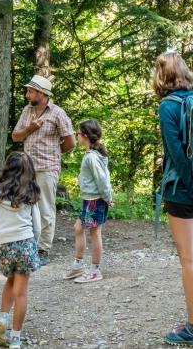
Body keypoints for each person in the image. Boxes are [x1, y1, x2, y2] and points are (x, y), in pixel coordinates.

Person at [155, 52, 193, 347]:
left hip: (182, 190)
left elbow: (176, 155)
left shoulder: (168, 106)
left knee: (188, 259)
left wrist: (192, 192)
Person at [9, 74, 73, 265]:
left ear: (42, 93)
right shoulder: (27, 112)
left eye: (30, 91)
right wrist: (30, 129)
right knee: (22, 207)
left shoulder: (58, 113)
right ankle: (21, 248)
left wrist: (54, 154)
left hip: (47, 169)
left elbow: (70, 142)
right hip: (26, 168)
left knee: (45, 209)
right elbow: (15, 137)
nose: (27, 94)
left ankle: (43, 250)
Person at [0, 152, 41, 349]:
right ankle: (15, 339)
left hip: (2, 245)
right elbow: (38, 226)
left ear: (7, 169)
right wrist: (34, 247)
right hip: (24, 243)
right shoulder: (30, 194)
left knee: (10, 280)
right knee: (21, 293)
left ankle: (2, 319)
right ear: (29, 172)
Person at [64, 120, 112, 284]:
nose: (76, 135)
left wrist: (107, 198)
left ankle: (95, 270)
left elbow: (102, 179)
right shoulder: (91, 155)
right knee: (78, 228)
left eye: (78, 133)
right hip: (88, 200)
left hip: (95, 201)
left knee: (94, 233)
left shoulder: (92, 157)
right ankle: (78, 266)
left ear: (84, 136)